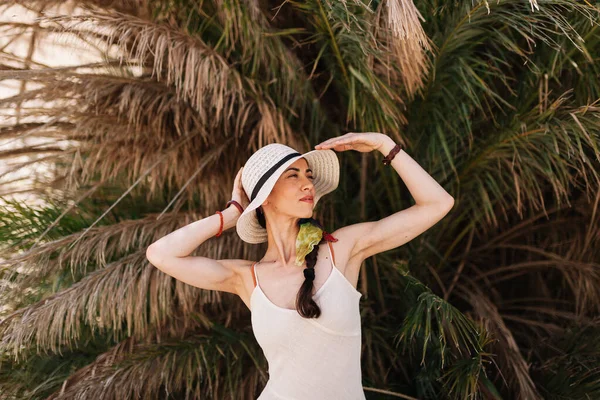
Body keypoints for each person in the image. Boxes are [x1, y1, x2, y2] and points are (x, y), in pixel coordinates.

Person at [146, 132, 455, 399]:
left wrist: (384, 145)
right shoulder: (246, 278)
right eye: (293, 175)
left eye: (308, 175)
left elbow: (437, 204)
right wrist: (232, 213)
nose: (307, 184)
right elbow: (161, 254)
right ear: (264, 198)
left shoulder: (342, 250)